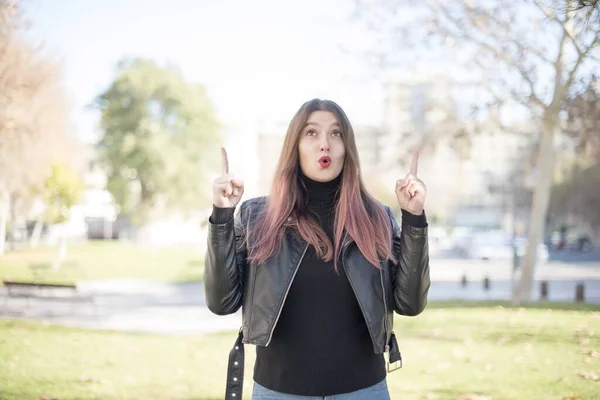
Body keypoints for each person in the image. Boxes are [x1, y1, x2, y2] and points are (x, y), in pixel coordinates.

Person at [205, 99, 430, 400]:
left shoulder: (378, 217)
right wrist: (222, 216)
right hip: (278, 392)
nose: (324, 144)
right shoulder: (256, 216)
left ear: (347, 147)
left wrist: (414, 218)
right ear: (295, 145)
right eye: (312, 133)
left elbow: (410, 304)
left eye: (335, 134)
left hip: (364, 391)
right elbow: (222, 302)